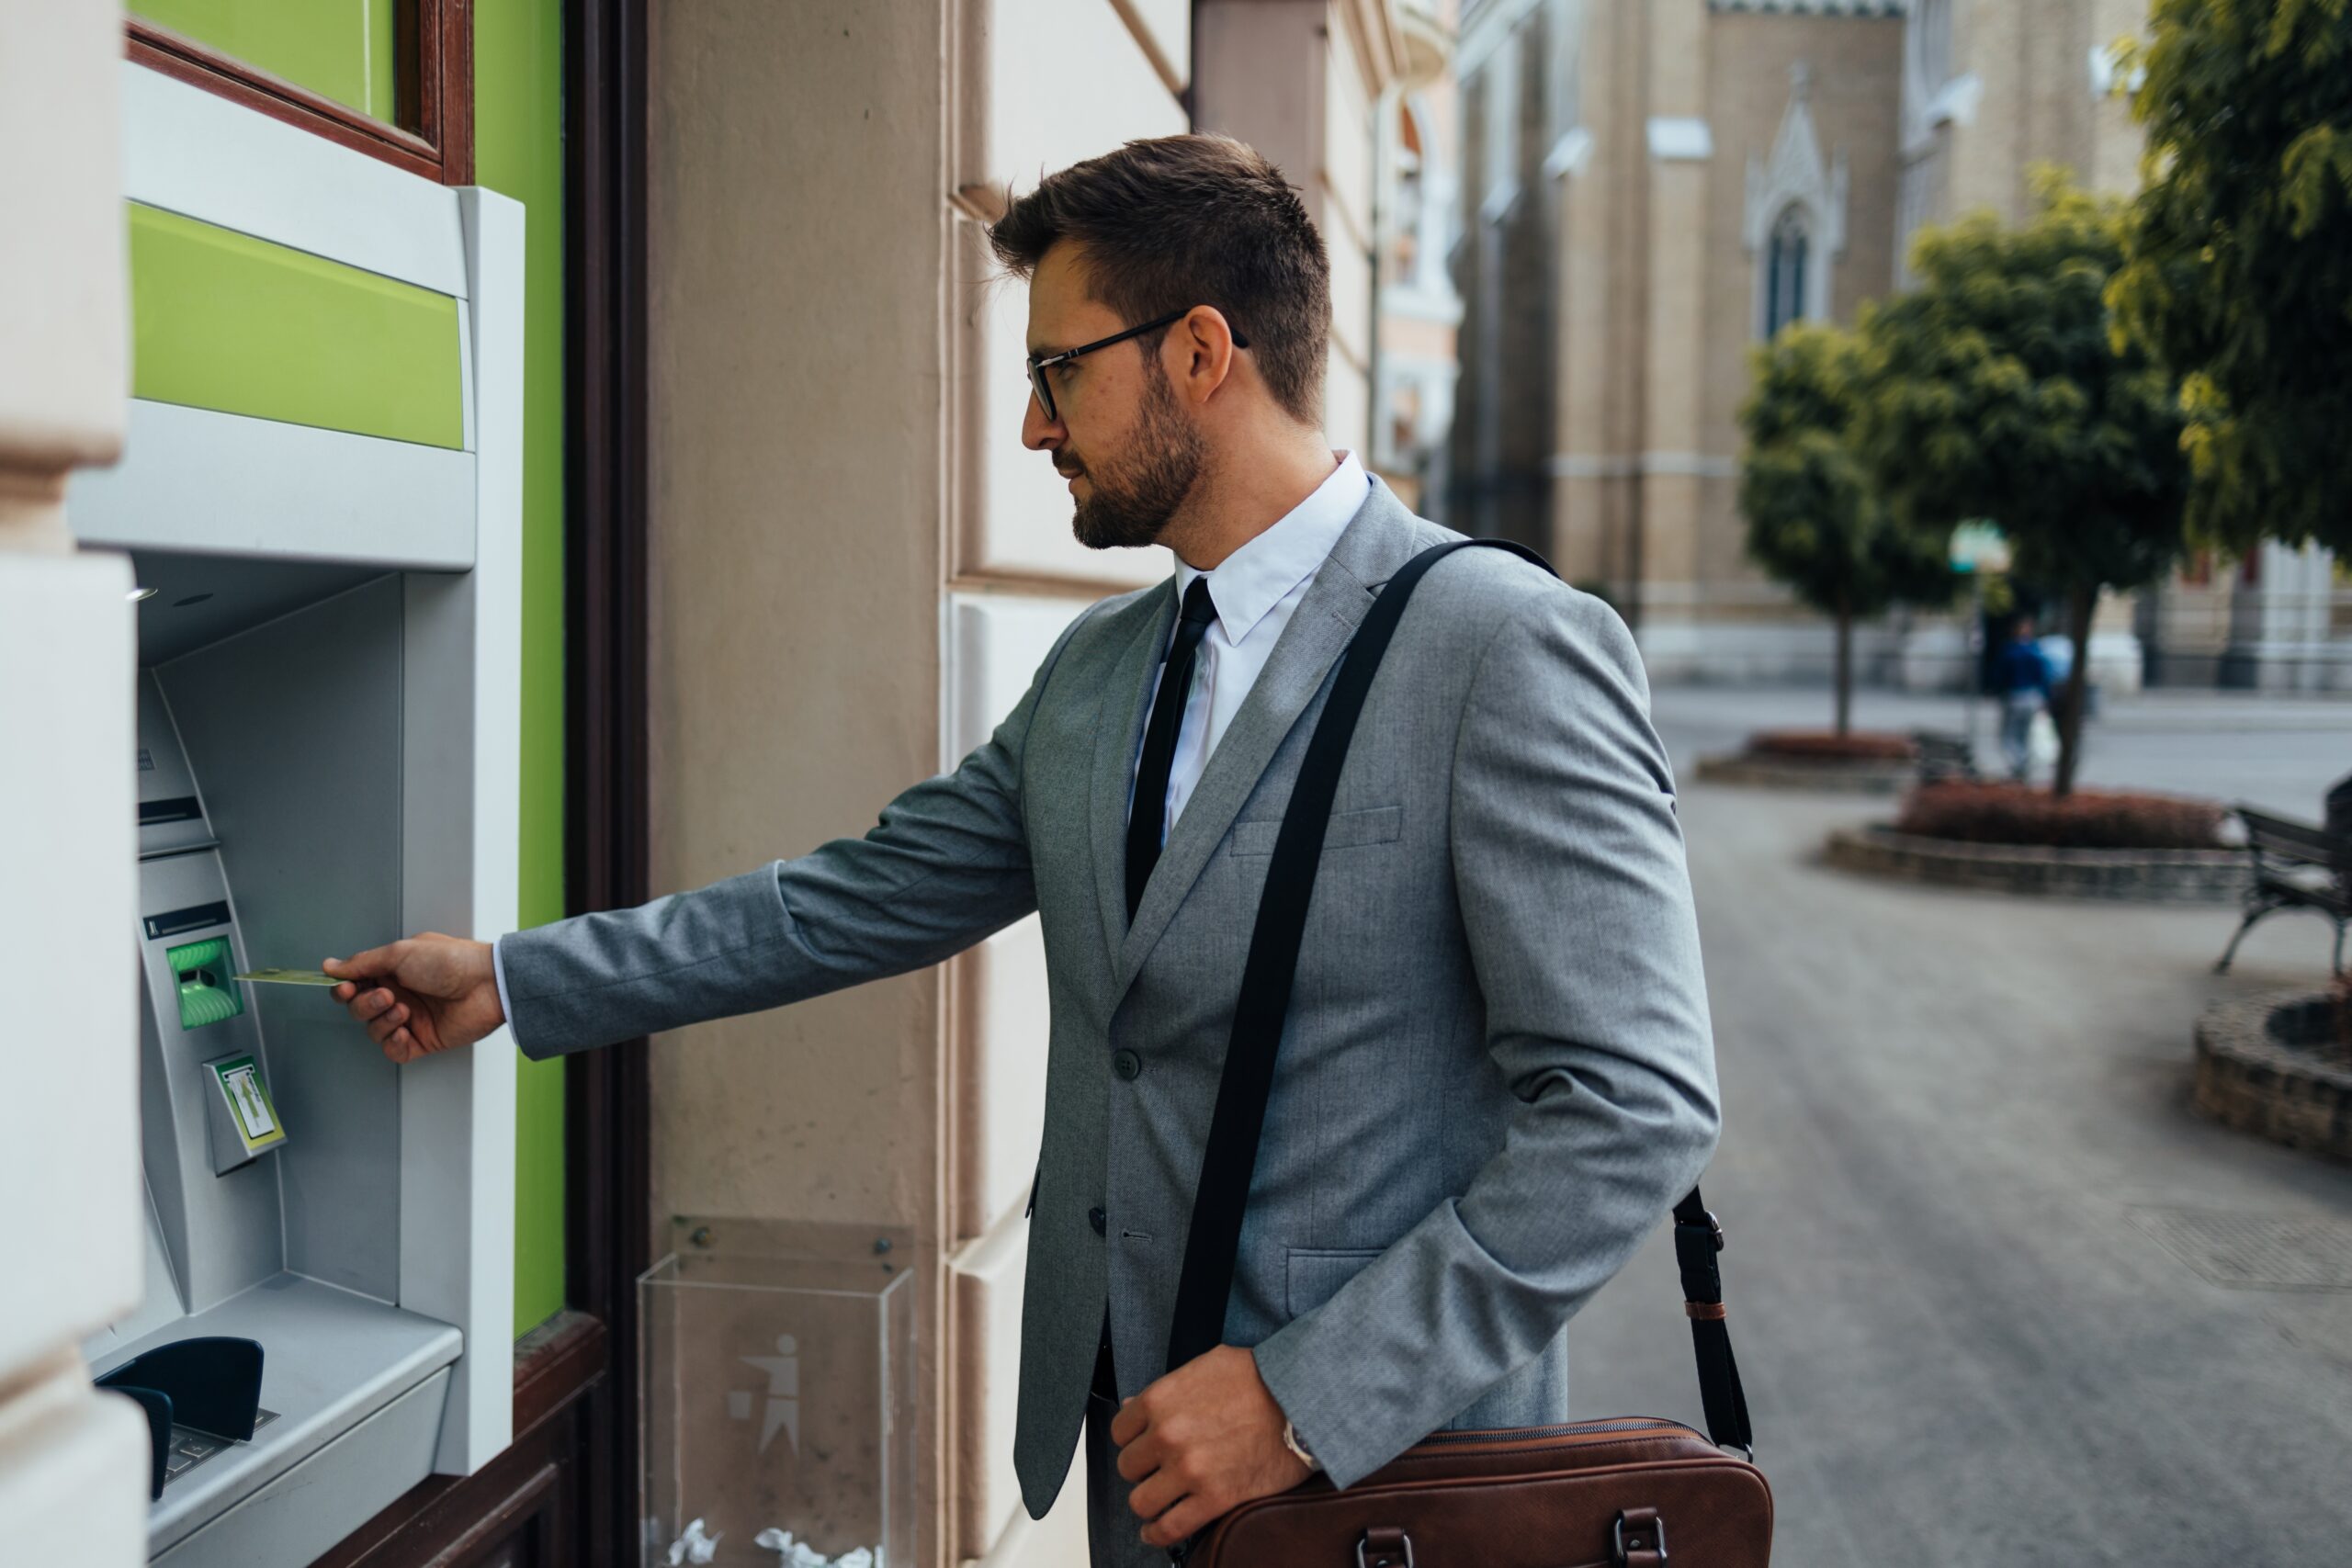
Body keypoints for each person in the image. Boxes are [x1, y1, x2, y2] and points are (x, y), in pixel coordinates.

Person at [322, 135, 1719, 1567]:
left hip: (1388, 1487)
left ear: (1196, 353)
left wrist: (1306, 1398)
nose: (1035, 429)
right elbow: (851, 898)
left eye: (1059, 370)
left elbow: (1633, 1103)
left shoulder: (1502, 646)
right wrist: (514, 974)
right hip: (1136, 1459)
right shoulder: (1100, 668)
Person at [1996, 614, 2055, 781]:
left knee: (2010, 734)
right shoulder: (2035, 650)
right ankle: (2022, 764)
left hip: (2015, 696)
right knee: (2025, 734)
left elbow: (2001, 675)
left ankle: (2018, 764)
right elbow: (2044, 676)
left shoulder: (2010, 651)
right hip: (2032, 697)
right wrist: (2045, 698)